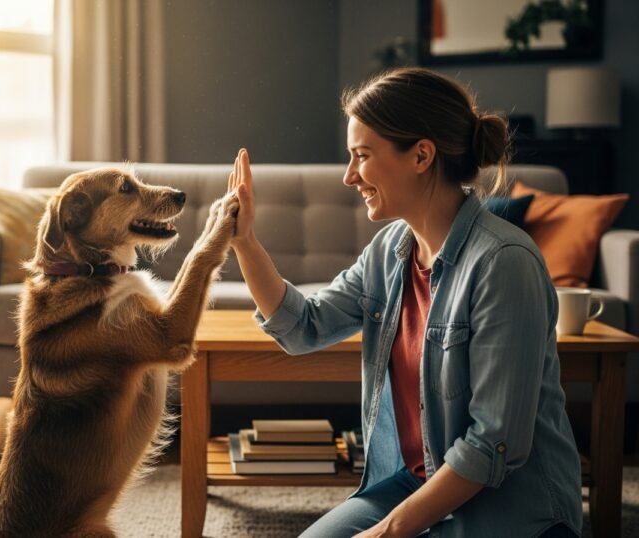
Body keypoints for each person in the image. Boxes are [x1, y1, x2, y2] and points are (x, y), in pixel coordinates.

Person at [226, 68, 582, 538]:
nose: (350, 176)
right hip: (411, 487)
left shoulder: (503, 263)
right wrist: (246, 243)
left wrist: (386, 532)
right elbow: (304, 327)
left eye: (362, 156)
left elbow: (492, 444)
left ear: (421, 155)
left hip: (506, 511)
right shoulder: (390, 249)